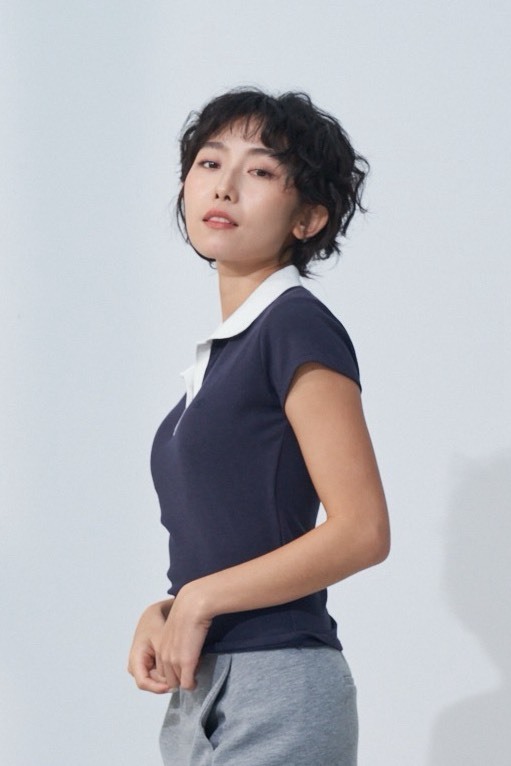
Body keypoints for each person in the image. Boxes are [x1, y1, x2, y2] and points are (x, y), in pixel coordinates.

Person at [128, 88, 390, 766]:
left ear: (308, 217)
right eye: (210, 163)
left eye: (262, 171)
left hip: (277, 687)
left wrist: (200, 600)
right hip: (200, 691)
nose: (226, 186)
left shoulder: (295, 326)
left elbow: (362, 530)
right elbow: (237, 533)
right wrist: (167, 610)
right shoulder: (223, 358)